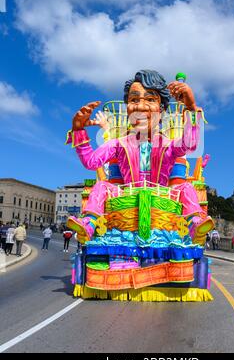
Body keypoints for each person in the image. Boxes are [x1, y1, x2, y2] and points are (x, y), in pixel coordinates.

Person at [66, 70, 213, 245]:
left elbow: (190, 144)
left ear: (162, 109)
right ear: (127, 107)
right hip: (126, 202)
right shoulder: (118, 144)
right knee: (101, 186)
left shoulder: (168, 144)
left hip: (162, 200)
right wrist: (78, 130)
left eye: (150, 100)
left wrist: (190, 107)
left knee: (186, 188)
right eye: (134, 100)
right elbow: (91, 162)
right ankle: (88, 224)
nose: (141, 106)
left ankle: (194, 224)